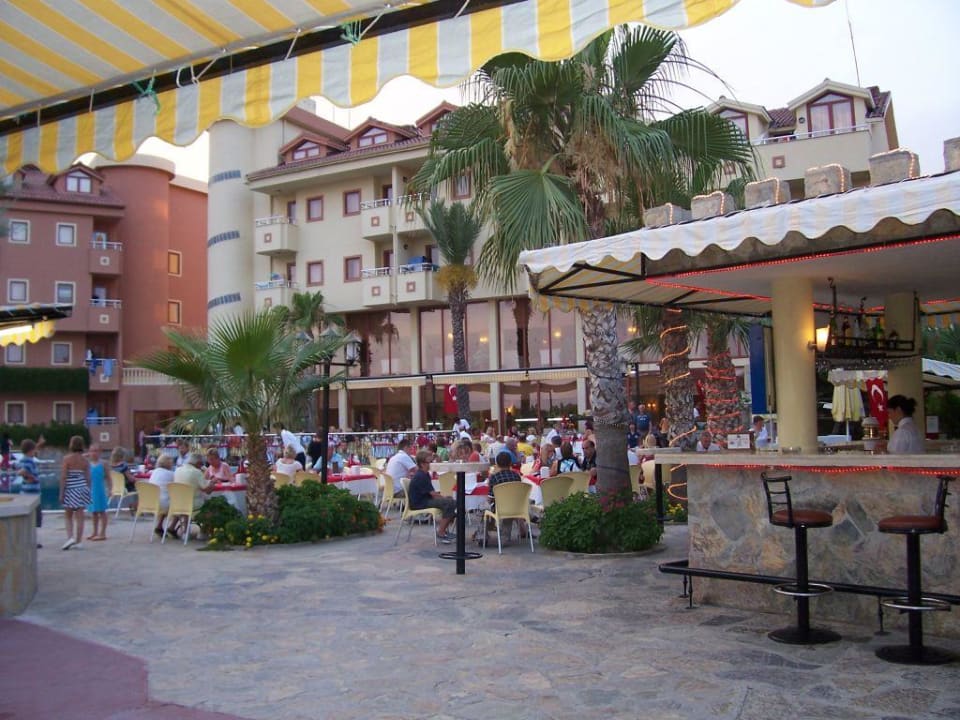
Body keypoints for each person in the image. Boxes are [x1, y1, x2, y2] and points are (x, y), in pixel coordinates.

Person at [407, 450, 457, 543]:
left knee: (450, 501)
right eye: (429, 462)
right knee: (449, 503)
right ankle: (441, 532)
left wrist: (444, 497)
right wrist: (443, 498)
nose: (431, 464)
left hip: (424, 500)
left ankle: (443, 530)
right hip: (419, 503)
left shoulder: (424, 474)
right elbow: (432, 493)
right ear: (422, 464)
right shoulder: (421, 476)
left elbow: (432, 493)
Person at [168, 452, 214, 536]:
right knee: (211, 505)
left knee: (187, 500)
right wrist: (212, 483)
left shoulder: (178, 470)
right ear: (198, 463)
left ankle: (185, 532)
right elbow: (207, 490)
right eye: (201, 464)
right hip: (192, 504)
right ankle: (203, 532)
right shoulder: (196, 472)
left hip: (177, 503)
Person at [60, 435, 91, 550]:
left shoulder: (67, 459)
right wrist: (88, 490)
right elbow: (88, 478)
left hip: (71, 488)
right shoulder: (85, 460)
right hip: (82, 487)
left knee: (68, 515)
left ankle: (70, 538)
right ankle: (79, 541)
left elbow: (64, 477)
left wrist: (61, 493)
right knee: (80, 516)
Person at [17, 438, 43, 547]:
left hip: (27, 492)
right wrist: (30, 477)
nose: (35, 451)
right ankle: (31, 541)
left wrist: (39, 443)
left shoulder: (24, 460)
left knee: (31, 518)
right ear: (30, 450)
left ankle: (29, 540)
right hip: (31, 494)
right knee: (34, 519)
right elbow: (21, 471)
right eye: (34, 450)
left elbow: (19, 469)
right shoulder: (28, 461)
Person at [149, 453, 176, 538]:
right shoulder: (171, 474)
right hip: (163, 503)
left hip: (152, 501)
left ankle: (159, 526)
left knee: (165, 498)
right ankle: (172, 527)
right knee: (181, 503)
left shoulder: (154, 472)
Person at [85, 443, 109, 541]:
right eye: (91, 451)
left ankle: (102, 533)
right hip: (91, 490)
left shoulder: (103, 463)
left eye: (96, 451)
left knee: (102, 511)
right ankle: (94, 532)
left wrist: (110, 489)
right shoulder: (88, 464)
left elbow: (108, 477)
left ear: (100, 452)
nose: (93, 453)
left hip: (100, 490)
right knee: (94, 512)